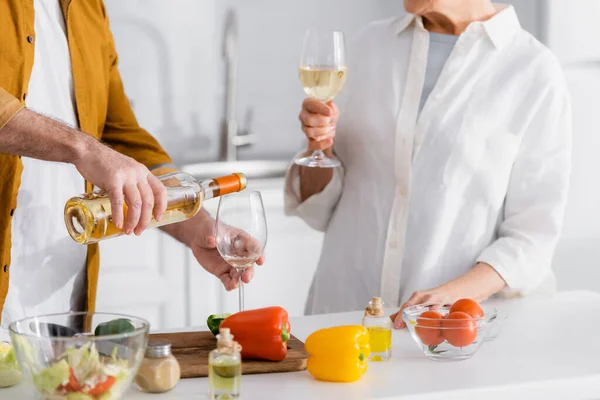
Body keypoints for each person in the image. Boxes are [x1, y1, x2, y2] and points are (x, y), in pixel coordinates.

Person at [285, 0, 571, 326]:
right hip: (341, 316)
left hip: (439, 332)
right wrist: (317, 145)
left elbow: (531, 239)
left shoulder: (532, 71)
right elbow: (318, 209)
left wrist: (450, 296)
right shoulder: (369, 46)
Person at [0, 0, 262, 329]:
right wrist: (82, 148)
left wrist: (195, 224)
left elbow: (121, 136)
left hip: (62, 308)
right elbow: (95, 150)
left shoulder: (88, 8)